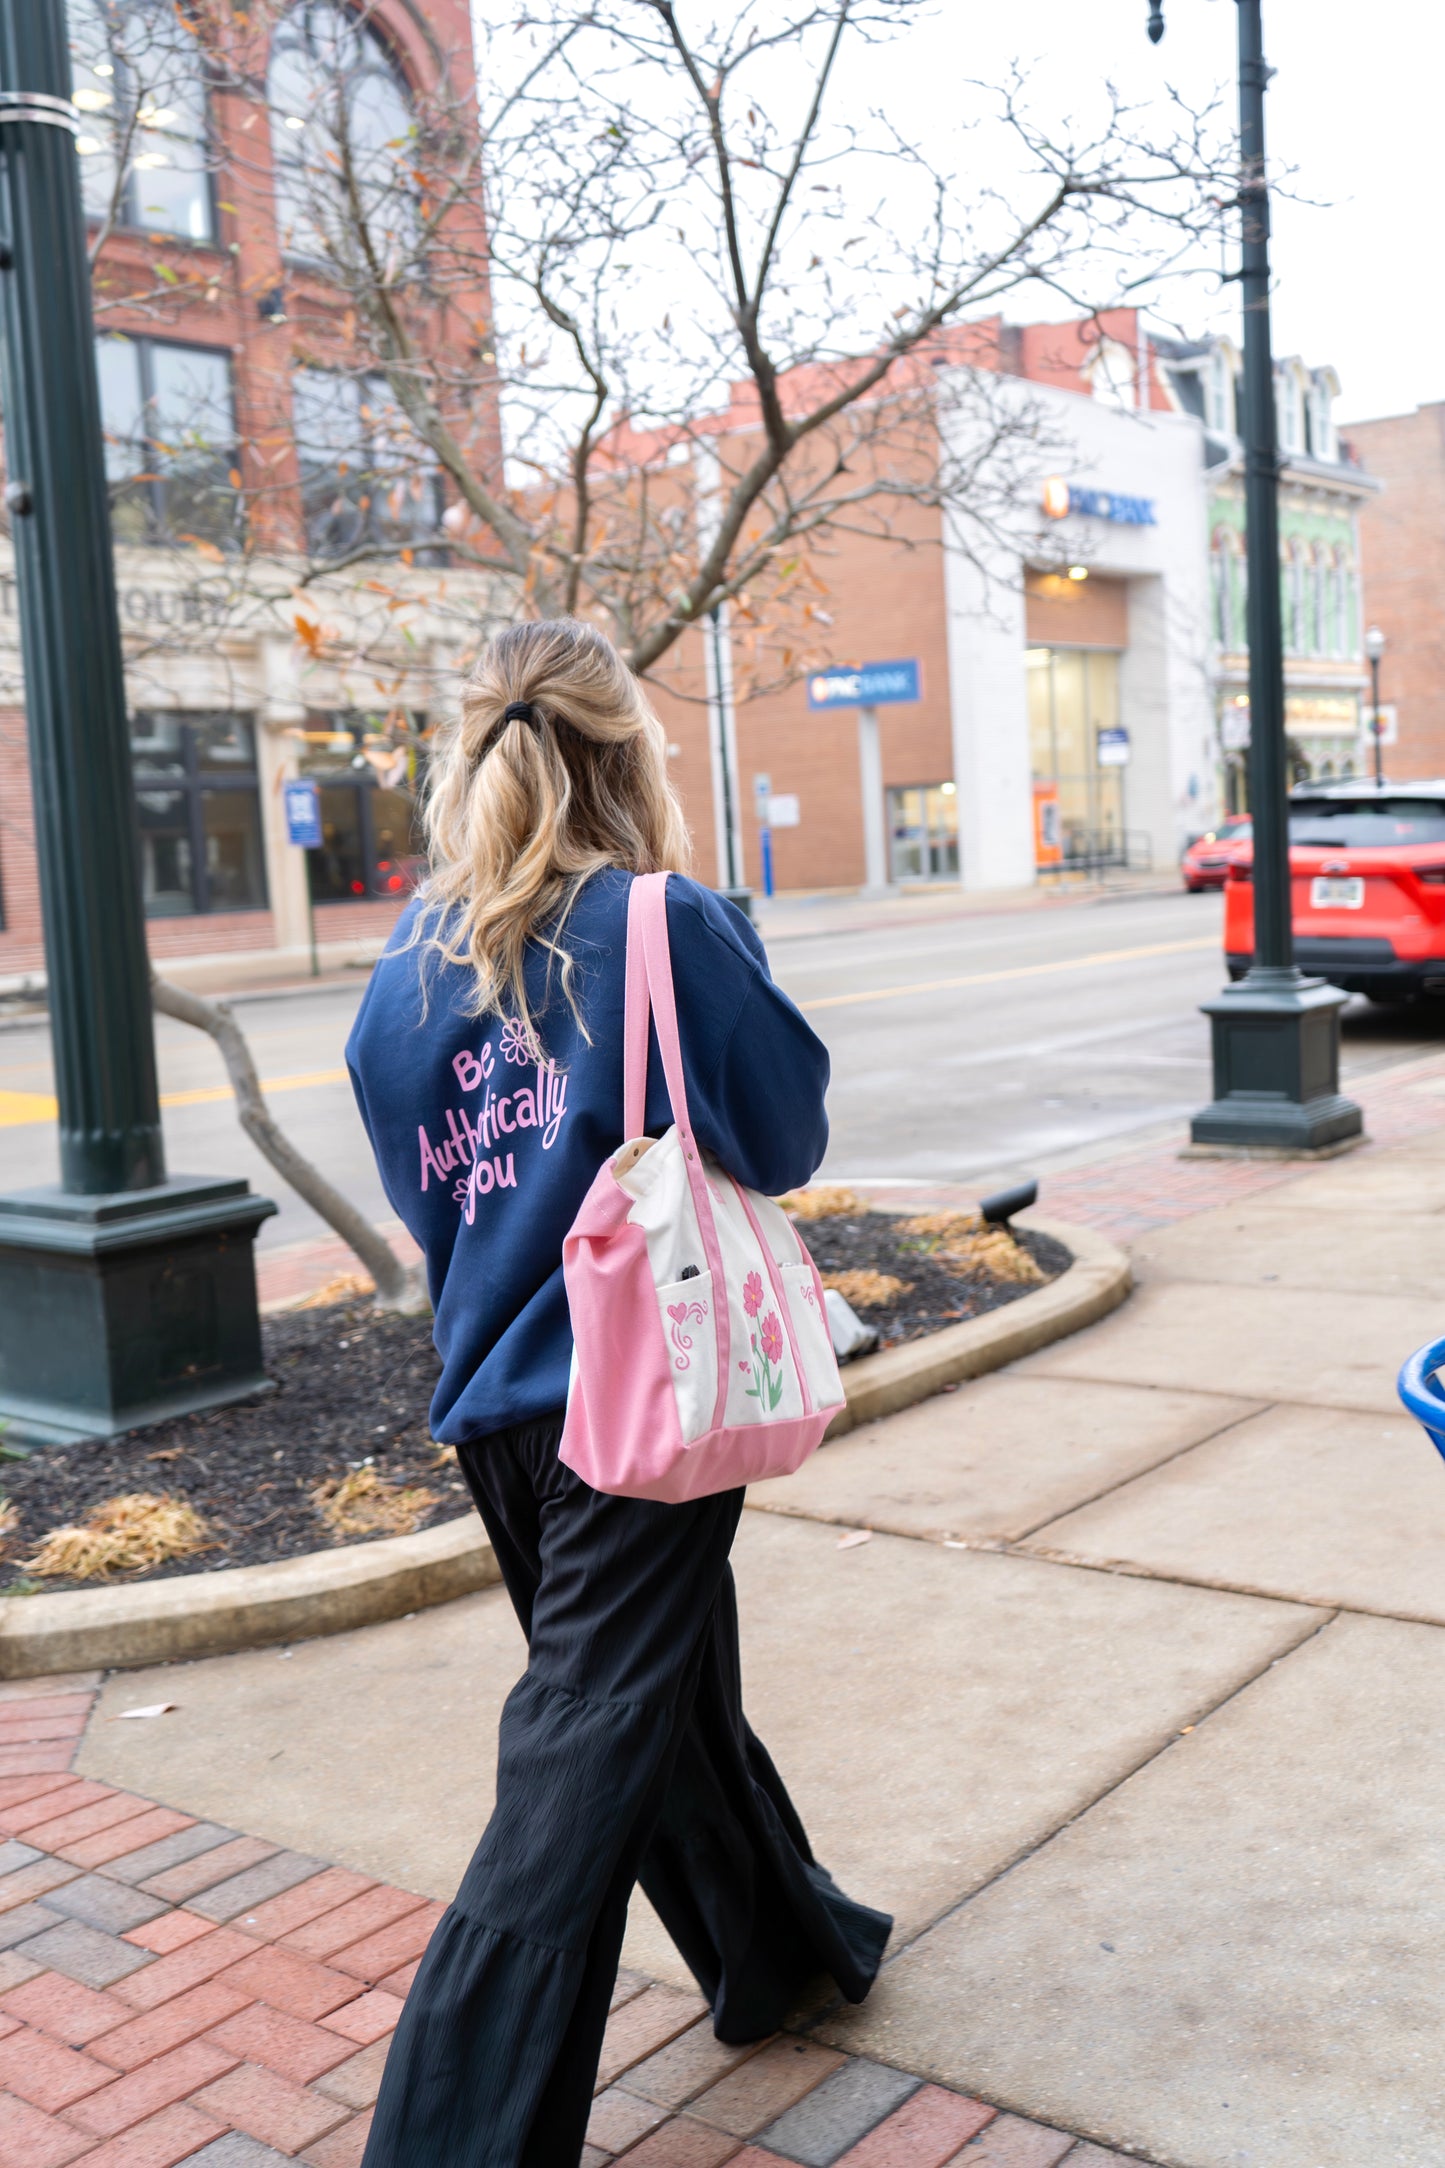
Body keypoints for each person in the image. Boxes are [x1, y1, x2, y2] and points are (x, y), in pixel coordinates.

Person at [346, 619, 890, 2166]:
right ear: (623, 749)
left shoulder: (405, 963)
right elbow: (782, 1139)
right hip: (638, 1413)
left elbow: (431, 1202)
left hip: (500, 1416)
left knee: (664, 1706)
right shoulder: (661, 921)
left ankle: (780, 1950)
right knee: (569, 1777)